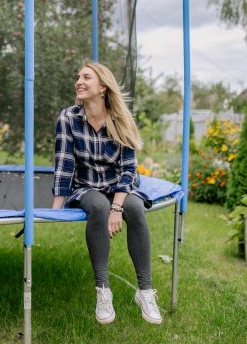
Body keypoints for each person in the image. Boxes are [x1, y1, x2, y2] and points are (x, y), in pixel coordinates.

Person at [52, 62, 162, 325]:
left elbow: (128, 169)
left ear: (102, 87)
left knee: (134, 208)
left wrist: (118, 207)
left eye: (86, 77)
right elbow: (64, 164)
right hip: (86, 186)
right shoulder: (68, 119)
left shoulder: (121, 119)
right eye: (78, 76)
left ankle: (145, 291)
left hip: (119, 186)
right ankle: (103, 290)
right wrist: (54, 209)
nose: (79, 81)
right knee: (99, 207)